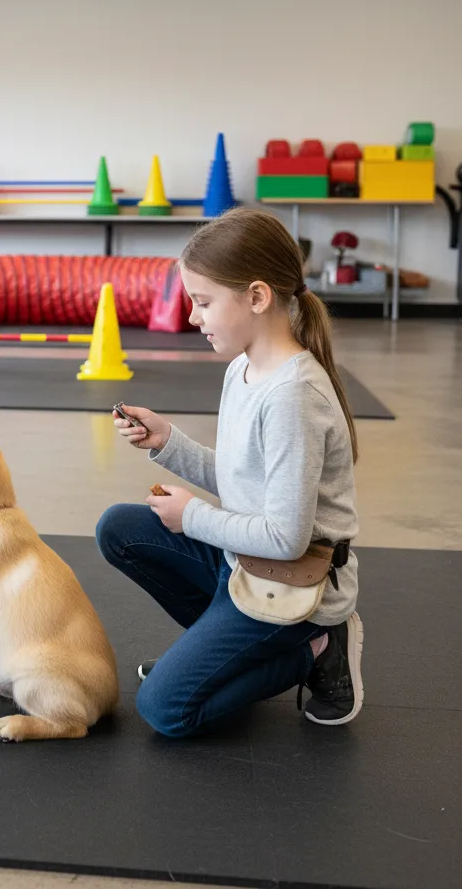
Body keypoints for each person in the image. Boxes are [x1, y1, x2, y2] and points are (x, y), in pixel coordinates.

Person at [96, 208, 362, 736]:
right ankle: (225, 658)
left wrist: (190, 517)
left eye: (203, 302)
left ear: (257, 297)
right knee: (118, 527)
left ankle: (314, 650)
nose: (193, 317)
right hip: (241, 563)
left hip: (291, 582)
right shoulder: (243, 367)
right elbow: (244, 482)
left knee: (164, 710)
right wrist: (167, 441)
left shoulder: (292, 398)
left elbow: (285, 539)